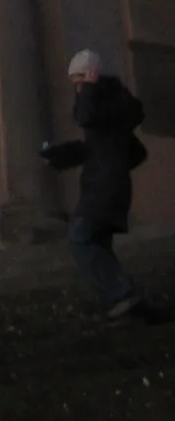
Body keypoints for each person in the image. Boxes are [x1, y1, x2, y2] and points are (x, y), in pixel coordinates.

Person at [42, 48, 155, 321]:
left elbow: (86, 118)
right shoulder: (107, 114)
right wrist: (60, 156)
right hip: (104, 185)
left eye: (80, 80)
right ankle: (133, 306)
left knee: (80, 238)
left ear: (92, 76)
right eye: (75, 83)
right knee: (97, 245)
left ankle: (124, 292)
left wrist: (90, 88)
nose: (77, 88)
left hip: (105, 188)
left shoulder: (109, 104)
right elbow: (97, 148)